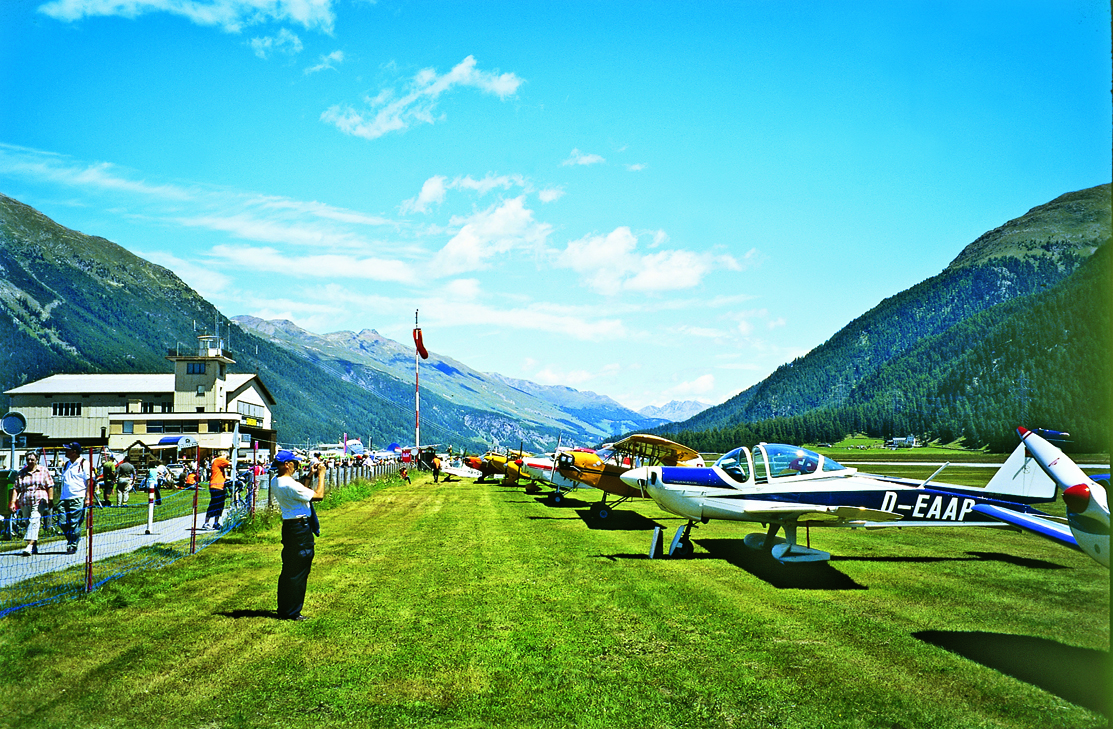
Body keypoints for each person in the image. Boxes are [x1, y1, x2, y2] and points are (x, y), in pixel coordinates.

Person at [271, 450, 326, 621]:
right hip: (300, 528)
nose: (296, 467)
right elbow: (318, 495)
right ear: (287, 465)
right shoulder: (289, 484)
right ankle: (293, 612)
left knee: (288, 569)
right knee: (300, 569)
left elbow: (302, 490)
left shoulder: (276, 481)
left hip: (289, 526)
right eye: (294, 463)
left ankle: (284, 607)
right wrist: (322, 475)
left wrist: (309, 475)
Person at [8, 451, 54, 556]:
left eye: (32, 460)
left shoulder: (43, 471)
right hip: (25, 500)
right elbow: (16, 489)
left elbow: (50, 485)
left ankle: (29, 546)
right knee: (28, 522)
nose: (30, 462)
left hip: (39, 499)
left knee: (34, 520)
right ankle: (34, 546)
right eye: (28, 460)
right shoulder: (21, 473)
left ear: (36, 460)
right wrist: (13, 503)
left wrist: (50, 500)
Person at [58, 442, 90, 555]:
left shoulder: (84, 463)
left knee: (74, 522)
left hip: (78, 497)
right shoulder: (67, 464)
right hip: (64, 498)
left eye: (68, 450)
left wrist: (88, 497)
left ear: (74, 452)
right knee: (61, 522)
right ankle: (72, 539)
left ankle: (72, 545)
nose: (65, 452)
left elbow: (90, 481)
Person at [203, 452, 231, 530]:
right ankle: (206, 522)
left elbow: (221, 475)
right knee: (214, 504)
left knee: (220, 505)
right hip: (216, 486)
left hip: (221, 486)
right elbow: (231, 463)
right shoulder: (219, 460)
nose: (226, 458)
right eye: (226, 456)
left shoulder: (220, 465)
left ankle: (216, 522)